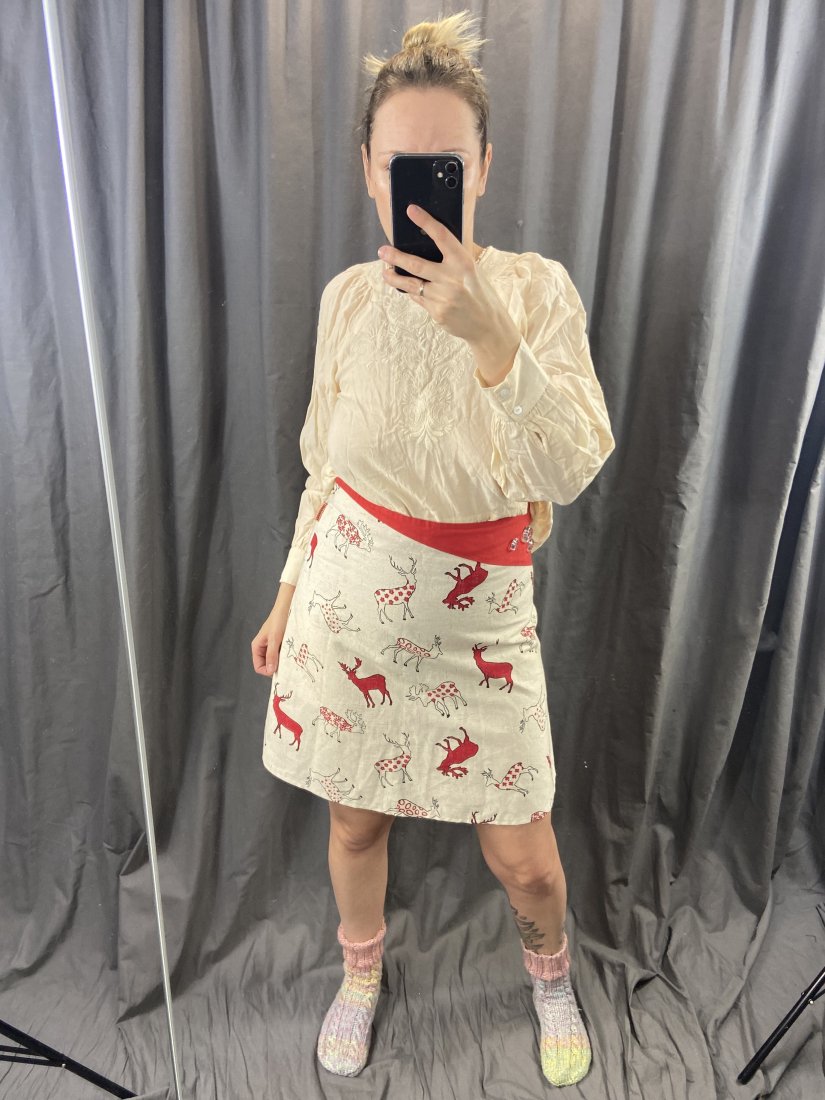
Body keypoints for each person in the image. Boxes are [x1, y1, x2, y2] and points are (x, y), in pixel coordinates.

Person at [251, 10, 615, 1088]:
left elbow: (573, 465)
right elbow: (323, 465)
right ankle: (360, 972)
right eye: (400, 166)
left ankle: (550, 973)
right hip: (346, 605)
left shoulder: (537, 292)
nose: (418, 189)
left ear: (483, 168)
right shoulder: (346, 301)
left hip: (481, 617)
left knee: (526, 858)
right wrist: (286, 593)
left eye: (444, 167)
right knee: (354, 827)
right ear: (368, 170)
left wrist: (493, 336)